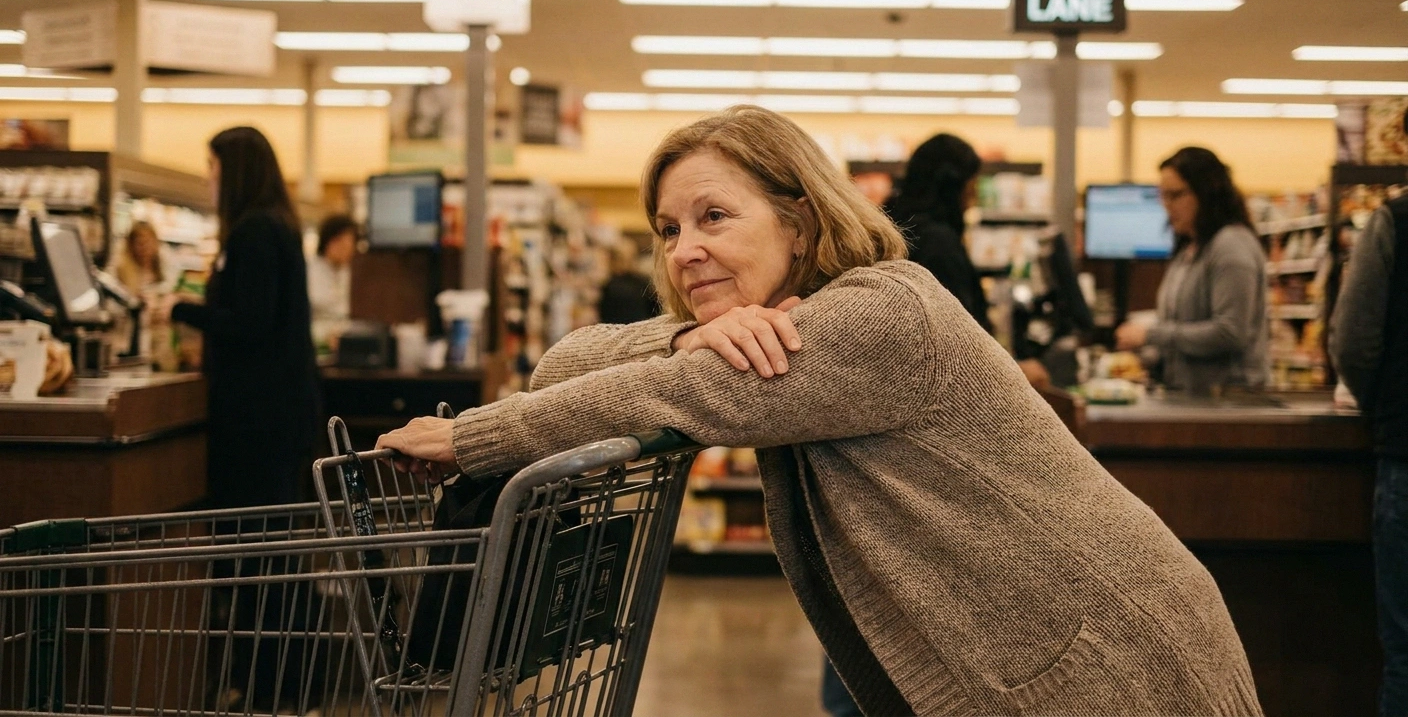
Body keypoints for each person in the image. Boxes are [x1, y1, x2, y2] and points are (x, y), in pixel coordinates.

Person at [376, 106, 1261, 716]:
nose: (687, 250)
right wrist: (688, 338)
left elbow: (675, 396)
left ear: (799, 223)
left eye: (715, 216)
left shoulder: (882, 312)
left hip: (1109, 664)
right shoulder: (755, 326)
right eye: (669, 229)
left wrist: (471, 437)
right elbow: (568, 360)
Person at [171, 126, 319, 509]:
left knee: (249, 533)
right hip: (278, 411)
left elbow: (249, 323)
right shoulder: (276, 224)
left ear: (234, 170)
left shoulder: (253, 231)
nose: (208, 176)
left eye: (212, 165)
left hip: (255, 417)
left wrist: (181, 309)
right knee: (274, 530)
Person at [1329, 108, 1408, 717]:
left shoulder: (1396, 222)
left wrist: (1378, 402)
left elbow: (1354, 342)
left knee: (1405, 660)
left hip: (1406, 453)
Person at [886, 132, 1050, 389]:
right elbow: (959, 339)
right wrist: (1013, 372)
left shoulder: (895, 225)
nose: (972, 194)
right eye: (970, 184)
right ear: (953, 185)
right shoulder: (938, 245)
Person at [1115, 147, 1269, 394]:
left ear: (1207, 193)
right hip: (1192, 399)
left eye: (1175, 195)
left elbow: (1230, 332)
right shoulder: (1189, 248)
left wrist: (1151, 335)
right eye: (1163, 196)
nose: (1167, 206)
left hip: (1227, 404)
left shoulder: (1231, 246)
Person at [308, 214, 357, 343]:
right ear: (327, 241)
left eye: (349, 242)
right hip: (316, 339)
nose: (345, 248)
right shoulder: (310, 270)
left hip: (347, 337)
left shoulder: (351, 272)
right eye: (339, 241)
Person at [597, 242, 661, 324]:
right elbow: (654, 310)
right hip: (642, 329)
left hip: (616, 331)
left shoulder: (608, 285)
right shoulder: (643, 283)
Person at [114, 221, 168, 295]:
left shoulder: (163, 263)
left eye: (148, 242)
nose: (145, 248)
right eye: (140, 243)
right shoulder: (121, 268)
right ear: (131, 245)